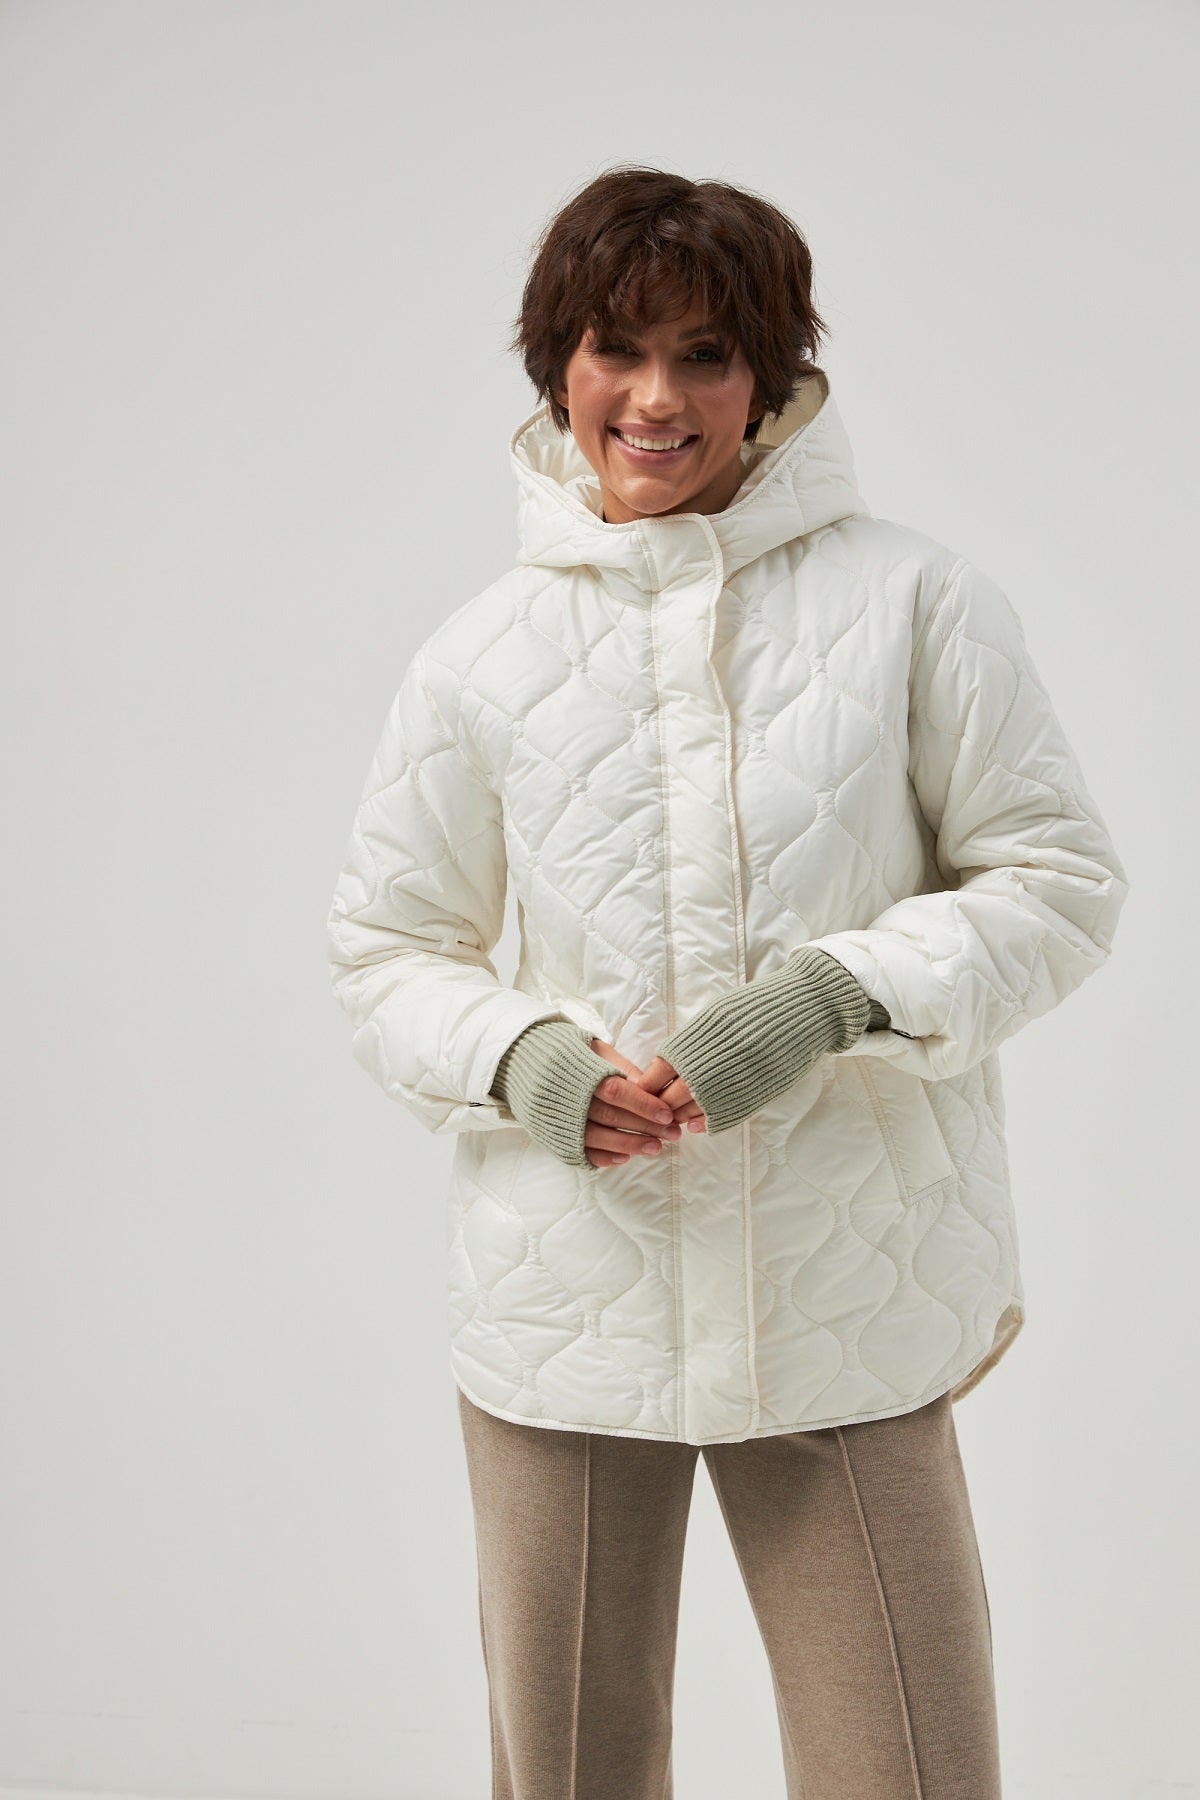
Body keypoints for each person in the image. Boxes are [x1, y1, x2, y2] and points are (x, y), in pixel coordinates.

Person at [325, 165, 1129, 1799]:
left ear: (769, 377)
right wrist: (526, 1061)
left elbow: (1057, 882)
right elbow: (388, 948)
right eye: (617, 349)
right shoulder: (480, 654)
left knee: (906, 1767)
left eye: (706, 354)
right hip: (567, 1297)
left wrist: (829, 999)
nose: (658, 397)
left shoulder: (915, 601)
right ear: (559, 368)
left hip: (849, 1291)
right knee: (569, 1773)